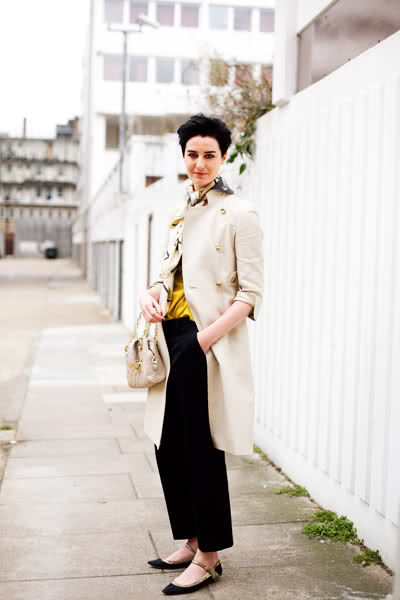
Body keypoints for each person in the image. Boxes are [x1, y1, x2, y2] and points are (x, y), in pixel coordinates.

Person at [138, 113, 264, 596]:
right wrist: (150, 294)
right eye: (192, 154)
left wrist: (203, 339)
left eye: (210, 155)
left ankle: (209, 555)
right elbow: (166, 274)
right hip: (170, 337)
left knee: (201, 449)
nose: (200, 163)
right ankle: (191, 539)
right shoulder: (180, 210)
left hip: (202, 342)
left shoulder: (239, 214)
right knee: (167, 444)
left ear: (224, 157)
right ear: (184, 156)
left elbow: (250, 295)